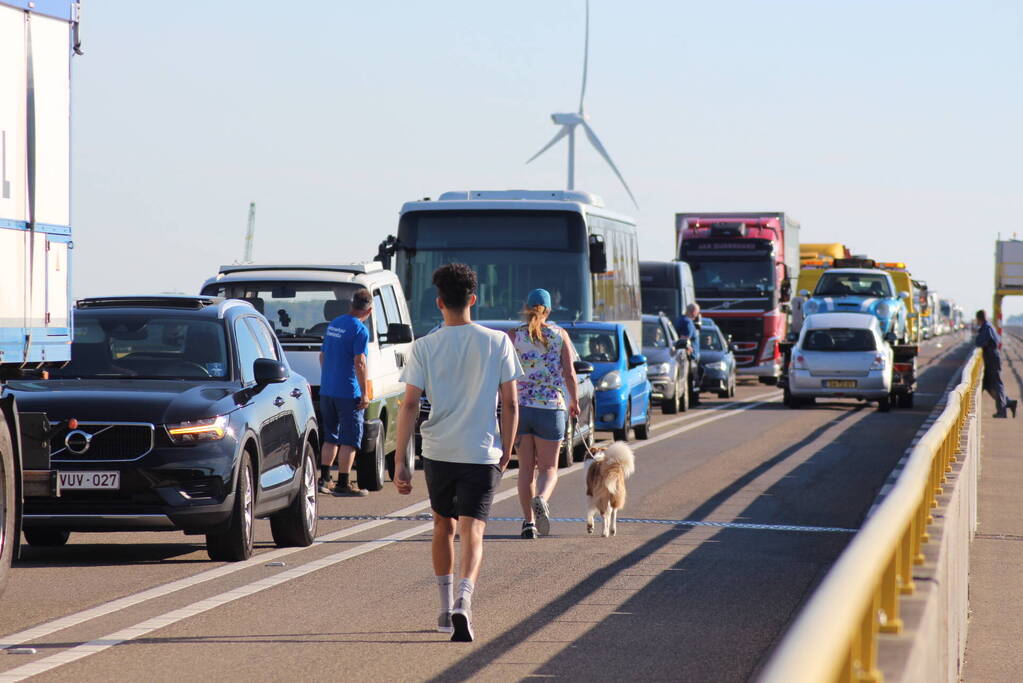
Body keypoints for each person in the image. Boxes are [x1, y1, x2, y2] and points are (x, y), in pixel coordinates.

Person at [393, 263, 523, 642]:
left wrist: (401, 459)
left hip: (438, 450)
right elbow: (510, 404)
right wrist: (507, 451)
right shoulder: (497, 342)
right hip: (481, 450)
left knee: (442, 525)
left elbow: (410, 405)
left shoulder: (424, 346)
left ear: (439, 303)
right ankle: (465, 600)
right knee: (473, 530)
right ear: (473, 299)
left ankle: (444, 609)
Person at [509, 288, 579, 539]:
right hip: (551, 408)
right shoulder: (560, 335)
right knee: (549, 468)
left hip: (522, 409)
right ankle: (541, 498)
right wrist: (574, 402)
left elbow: (505, 374)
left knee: (525, 469)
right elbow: (570, 373)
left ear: (526, 307)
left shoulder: (513, 336)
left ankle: (528, 523)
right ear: (548, 310)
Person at [318, 289, 373, 496]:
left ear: (351, 304)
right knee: (349, 439)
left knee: (330, 436)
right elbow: (360, 362)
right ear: (369, 310)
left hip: (328, 390)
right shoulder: (360, 330)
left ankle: (324, 478)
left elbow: (322, 356)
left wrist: (330, 377)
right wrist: (365, 393)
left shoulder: (334, 324)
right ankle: (343, 483)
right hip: (348, 392)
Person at [975, 310, 1017, 419]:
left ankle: (1002, 411)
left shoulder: (986, 328)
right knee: (988, 385)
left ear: (979, 319)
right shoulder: (989, 326)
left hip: (992, 359)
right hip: (992, 358)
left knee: (997, 384)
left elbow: (980, 342)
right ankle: (1008, 403)